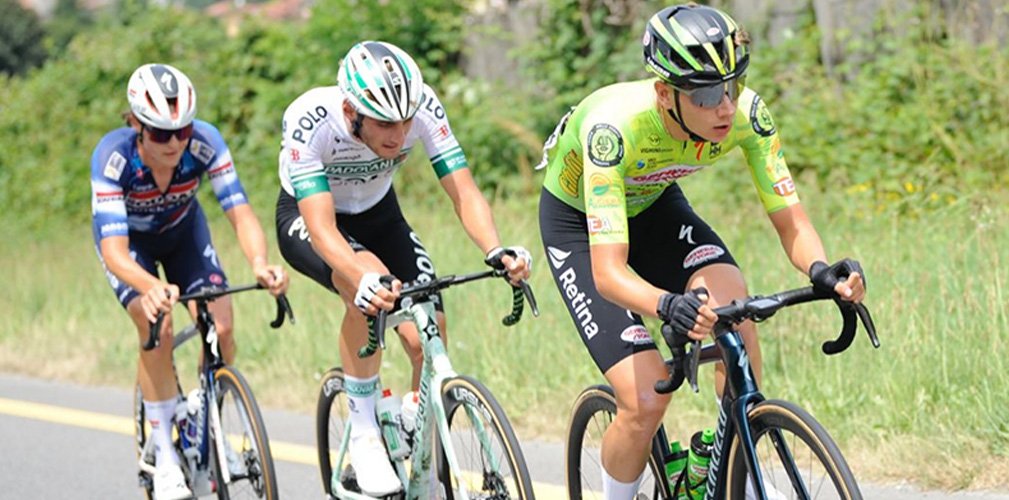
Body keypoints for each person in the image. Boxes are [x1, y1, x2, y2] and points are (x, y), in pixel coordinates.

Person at [536, 4, 866, 499]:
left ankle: (733, 462)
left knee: (734, 309)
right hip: (579, 224)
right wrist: (668, 304)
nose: (726, 107)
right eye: (708, 93)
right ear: (666, 94)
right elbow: (608, 273)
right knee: (645, 397)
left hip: (653, 204)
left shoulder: (747, 116)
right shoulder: (614, 129)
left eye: (732, 85)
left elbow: (792, 220)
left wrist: (822, 270)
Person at [274, 41, 531, 496]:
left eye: (406, 121)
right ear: (352, 111)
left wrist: (494, 248)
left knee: (427, 326)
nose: (399, 134)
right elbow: (322, 228)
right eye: (385, 123)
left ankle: (420, 441)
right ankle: (367, 433)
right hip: (311, 216)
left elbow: (463, 191)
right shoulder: (311, 120)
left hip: (379, 212)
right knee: (367, 287)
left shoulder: (423, 107)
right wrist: (361, 278)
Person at [90, 63, 289, 500]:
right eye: (162, 134)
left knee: (222, 326)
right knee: (155, 325)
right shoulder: (113, 157)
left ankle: (210, 426)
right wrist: (150, 286)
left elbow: (239, 211)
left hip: (183, 235)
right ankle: (163, 454)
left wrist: (260, 262)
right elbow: (113, 252)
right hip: (131, 249)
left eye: (183, 130)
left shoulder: (204, 143)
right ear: (137, 126)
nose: (176, 142)